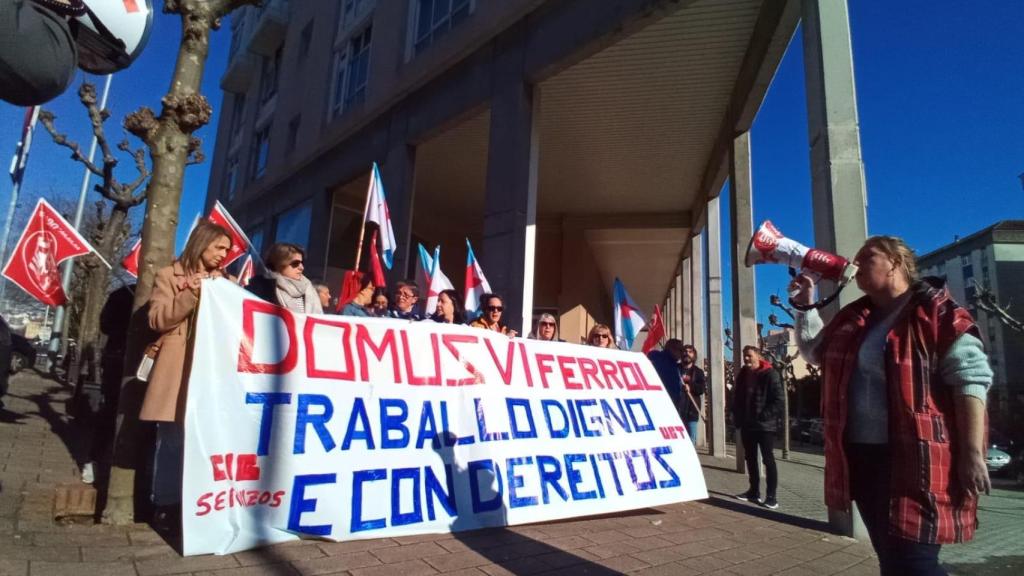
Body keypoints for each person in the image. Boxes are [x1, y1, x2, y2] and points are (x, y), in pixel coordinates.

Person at [791, 236, 992, 575]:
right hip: (864, 458)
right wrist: (804, 306)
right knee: (892, 559)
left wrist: (972, 453)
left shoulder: (937, 312)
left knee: (913, 563)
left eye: (867, 256)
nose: (855, 264)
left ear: (896, 262)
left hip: (918, 461)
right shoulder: (856, 317)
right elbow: (814, 352)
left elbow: (971, 378)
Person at [139, 221, 232, 531]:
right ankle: (166, 505)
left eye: (227, 250)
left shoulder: (227, 283)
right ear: (202, 243)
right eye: (219, 247)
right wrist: (190, 293)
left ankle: (199, 504)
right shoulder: (169, 276)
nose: (223, 255)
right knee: (172, 439)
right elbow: (157, 319)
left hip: (212, 371)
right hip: (178, 369)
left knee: (206, 440)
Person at [731, 345, 783, 509]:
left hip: (764, 426)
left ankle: (771, 497)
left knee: (768, 459)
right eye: (744, 356)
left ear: (758, 356)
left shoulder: (770, 374)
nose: (746, 358)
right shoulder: (743, 374)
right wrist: (736, 415)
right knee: (750, 458)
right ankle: (753, 491)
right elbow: (736, 396)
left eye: (749, 355)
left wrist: (763, 415)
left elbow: (779, 400)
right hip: (747, 424)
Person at [249, 243, 323, 314]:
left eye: (302, 263)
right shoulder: (261, 286)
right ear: (279, 264)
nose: (301, 268)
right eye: (295, 263)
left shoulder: (308, 287)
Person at [679, 344, 706, 444]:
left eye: (690, 352)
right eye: (685, 351)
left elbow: (701, 389)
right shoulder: (676, 369)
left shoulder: (698, 372)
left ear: (694, 355)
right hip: (677, 411)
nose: (687, 354)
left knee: (691, 441)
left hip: (691, 412)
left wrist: (690, 386)